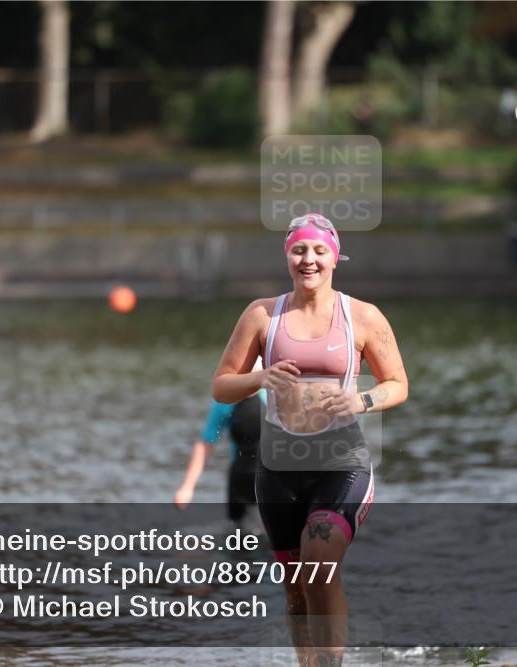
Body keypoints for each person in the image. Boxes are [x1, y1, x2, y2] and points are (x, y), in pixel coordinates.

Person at [212, 213, 409, 667]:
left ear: (335, 256)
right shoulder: (263, 315)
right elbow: (221, 385)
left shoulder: (361, 316)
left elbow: (398, 383)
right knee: (298, 591)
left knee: (320, 560)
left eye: (319, 250)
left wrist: (362, 402)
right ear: (288, 256)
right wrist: (260, 376)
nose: (309, 259)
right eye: (300, 250)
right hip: (278, 468)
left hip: (341, 462)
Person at [175, 359, 266, 531]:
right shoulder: (225, 404)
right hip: (240, 480)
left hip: (271, 480)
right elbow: (205, 444)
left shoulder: (274, 397)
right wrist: (187, 487)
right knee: (240, 538)